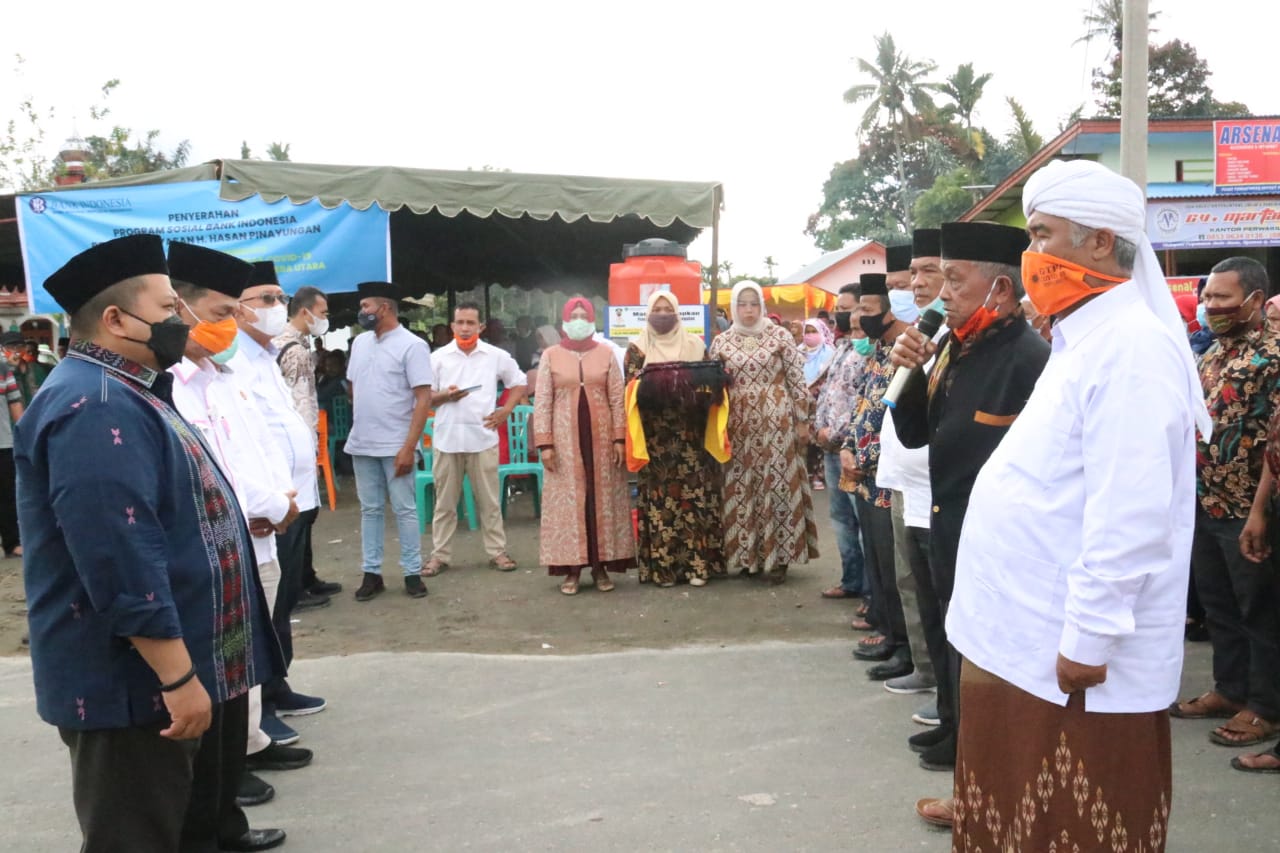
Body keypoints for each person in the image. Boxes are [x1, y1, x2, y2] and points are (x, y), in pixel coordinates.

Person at [937, 159, 1210, 850]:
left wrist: (1090, 636)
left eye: (1042, 235)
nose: (1030, 256)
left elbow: (1131, 513)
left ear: (1100, 242)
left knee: (1075, 813)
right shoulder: (1082, 337)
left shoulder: (1133, 349)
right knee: (1014, 798)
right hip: (1023, 628)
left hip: (1068, 650)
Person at [17, 234, 284, 853]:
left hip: (181, 667)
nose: (180, 321)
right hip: (134, 687)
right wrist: (177, 677)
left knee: (190, 829)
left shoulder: (130, 387)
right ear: (115, 319)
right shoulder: (94, 405)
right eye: (167, 309)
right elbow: (120, 558)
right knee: (136, 836)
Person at [890, 221, 1050, 820]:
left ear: (1000, 291)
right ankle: (972, 777)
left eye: (955, 280)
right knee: (962, 663)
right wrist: (908, 371)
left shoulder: (1030, 361)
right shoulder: (956, 347)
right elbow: (917, 435)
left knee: (995, 676)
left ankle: (990, 796)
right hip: (951, 532)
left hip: (1003, 549)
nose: (942, 294)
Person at [165, 242, 313, 812]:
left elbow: (258, 443)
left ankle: (249, 741)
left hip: (264, 525)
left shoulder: (222, 373)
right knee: (223, 654)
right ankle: (230, 763)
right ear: (183, 310)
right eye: (223, 312)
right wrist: (264, 504)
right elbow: (212, 465)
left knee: (247, 647)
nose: (232, 323)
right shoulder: (175, 383)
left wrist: (280, 499)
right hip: (232, 531)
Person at [1172, 257, 1280, 748]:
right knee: (1219, 607)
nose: (1210, 306)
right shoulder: (1210, 354)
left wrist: (1259, 511)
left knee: (1260, 611)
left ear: (1254, 300)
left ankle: (1266, 707)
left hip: (1250, 509)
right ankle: (1230, 689)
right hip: (1205, 502)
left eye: (1222, 297)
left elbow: (1276, 443)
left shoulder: (1273, 357)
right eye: (1207, 298)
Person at [229, 262, 329, 743]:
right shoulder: (232, 359)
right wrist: (263, 502)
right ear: (238, 308)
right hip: (266, 506)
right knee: (261, 606)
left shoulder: (267, 354)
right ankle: (259, 704)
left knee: (283, 597)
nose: (277, 307)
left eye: (280, 298)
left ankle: (277, 683)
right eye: (265, 299)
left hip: (295, 498)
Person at [872, 230, 947, 696]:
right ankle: (926, 668)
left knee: (935, 590)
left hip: (936, 484)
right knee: (910, 582)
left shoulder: (952, 335)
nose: (916, 283)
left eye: (927, 272)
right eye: (912, 273)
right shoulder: (922, 329)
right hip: (905, 477)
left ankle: (943, 683)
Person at [710, 280, 818, 584]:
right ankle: (748, 556)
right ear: (734, 307)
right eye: (742, 304)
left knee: (778, 484)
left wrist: (802, 420)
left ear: (762, 306)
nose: (748, 310)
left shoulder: (780, 336)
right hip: (738, 425)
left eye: (754, 303)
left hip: (777, 423)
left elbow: (797, 380)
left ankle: (781, 558)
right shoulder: (721, 342)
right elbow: (714, 383)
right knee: (742, 486)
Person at [625, 290, 729, 587]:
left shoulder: (695, 345)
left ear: (677, 312)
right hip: (656, 440)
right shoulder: (637, 348)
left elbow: (711, 387)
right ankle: (665, 570)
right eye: (656, 309)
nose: (662, 314)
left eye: (667, 308)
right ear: (648, 313)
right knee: (662, 502)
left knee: (695, 499)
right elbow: (630, 389)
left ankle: (698, 567)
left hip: (692, 436)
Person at [533, 297, 635, 594]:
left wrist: (619, 438)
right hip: (564, 443)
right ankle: (572, 570)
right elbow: (543, 401)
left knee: (601, 501)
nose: (578, 320)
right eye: (573, 315)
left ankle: (601, 567)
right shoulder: (551, 356)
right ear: (565, 321)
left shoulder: (606, 354)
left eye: (583, 315)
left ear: (592, 320)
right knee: (570, 504)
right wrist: (545, 443)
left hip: (601, 441)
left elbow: (617, 397)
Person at [342, 281, 435, 599]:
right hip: (362, 442)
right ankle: (372, 573)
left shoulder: (413, 345)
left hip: (397, 444)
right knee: (370, 510)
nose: (361, 312)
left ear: (384, 308)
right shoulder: (360, 343)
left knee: (405, 510)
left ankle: (412, 573)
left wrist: (409, 447)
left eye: (366, 306)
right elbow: (353, 387)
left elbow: (423, 398)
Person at [840, 273, 911, 670]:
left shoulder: (906, 355)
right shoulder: (879, 354)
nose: (860, 317)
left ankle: (902, 644)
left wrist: (864, 457)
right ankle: (887, 632)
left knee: (896, 568)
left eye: (868, 310)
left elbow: (894, 419)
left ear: (890, 311)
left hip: (887, 478)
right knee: (880, 565)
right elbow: (863, 406)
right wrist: (849, 447)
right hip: (866, 479)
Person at [423, 301, 525, 576]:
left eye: (470, 323)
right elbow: (425, 398)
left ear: (480, 327)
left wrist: (506, 410)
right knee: (444, 504)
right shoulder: (438, 357)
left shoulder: (495, 355)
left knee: (490, 502)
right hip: (448, 439)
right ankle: (439, 556)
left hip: (483, 438)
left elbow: (519, 382)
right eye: (460, 322)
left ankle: (497, 552)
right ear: (452, 326)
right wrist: (446, 396)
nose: (465, 328)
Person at [274, 285, 342, 605]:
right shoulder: (296, 351)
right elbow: (302, 404)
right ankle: (294, 589)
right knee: (298, 517)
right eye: (322, 313)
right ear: (305, 312)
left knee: (306, 513)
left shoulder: (283, 343)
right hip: (295, 443)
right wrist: (309, 447)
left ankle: (306, 577)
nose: (325, 319)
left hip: (287, 442)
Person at [816, 284, 868, 601]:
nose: (840, 314)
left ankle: (871, 594)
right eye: (838, 308)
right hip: (831, 450)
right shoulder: (843, 347)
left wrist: (836, 434)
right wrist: (819, 428)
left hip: (853, 450)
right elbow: (829, 392)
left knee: (863, 523)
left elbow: (862, 402)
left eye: (846, 308)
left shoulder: (869, 351)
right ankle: (851, 581)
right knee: (841, 520)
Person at [0, 360, 24, 559]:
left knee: (7, 494)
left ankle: (12, 542)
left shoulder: (2, 367)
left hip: (3, 442)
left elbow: (14, 402)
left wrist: (25, 433)